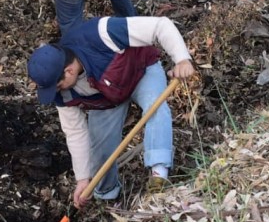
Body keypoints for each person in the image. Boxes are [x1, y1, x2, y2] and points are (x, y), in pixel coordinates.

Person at [27, 16, 195, 208]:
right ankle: (106, 199)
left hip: (140, 72)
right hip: (107, 99)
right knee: (99, 150)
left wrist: (181, 59)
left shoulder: (101, 34)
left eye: (57, 85)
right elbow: (75, 132)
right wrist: (83, 179)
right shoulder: (61, 93)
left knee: (155, 106)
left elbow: (160, 25)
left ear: (69, 71)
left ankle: (159, 177)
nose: (56, 91)